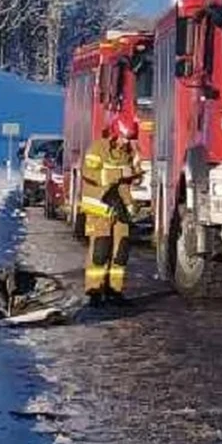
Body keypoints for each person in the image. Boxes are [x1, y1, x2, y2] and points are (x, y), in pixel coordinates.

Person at [79, 115, 140, 305]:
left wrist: (130, 203)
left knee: (121, 250)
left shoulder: (127, 153)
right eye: (124, 138)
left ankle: (114, 290)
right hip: (99, 205)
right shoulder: (98, 148)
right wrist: (120, 173)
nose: (126, 142)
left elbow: (123, 185)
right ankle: (94, 291)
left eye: (130, 139)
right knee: (100, 250)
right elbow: (89, 173)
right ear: (115, 133)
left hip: (118, 205)